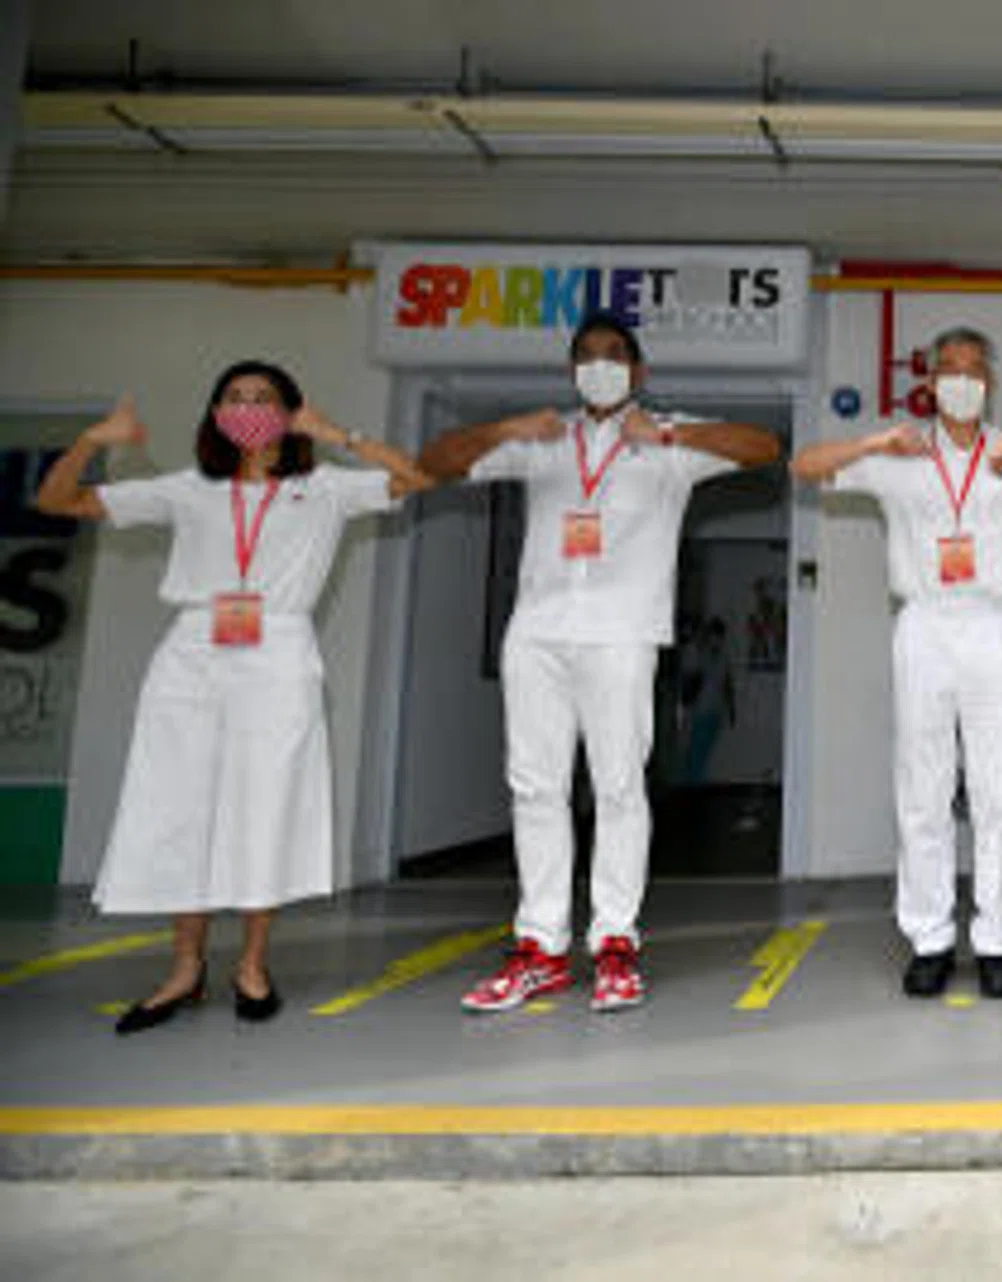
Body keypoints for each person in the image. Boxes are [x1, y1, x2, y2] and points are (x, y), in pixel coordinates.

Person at [34, 362, 432, 1034]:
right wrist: (96, 440)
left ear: (288, 412)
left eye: (264, 398)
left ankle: (253, 964)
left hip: (278, 652)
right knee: (180, 808)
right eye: (235, 397)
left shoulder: (326, 487)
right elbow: (56, 501)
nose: (248, 407)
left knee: (263, 808)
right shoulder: (190, 489)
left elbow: (420, 478)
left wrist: (335, 431)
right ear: (215, 412)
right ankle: (184, 969)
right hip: (191, 653)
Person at [424, 310, 781, 1014]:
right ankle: (541, 948)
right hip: (537, 634)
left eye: (614, 354)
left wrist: (671, 434)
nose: (600, 365)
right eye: (585, 355)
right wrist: (503, 430)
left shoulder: (667, 441)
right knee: (535, 789)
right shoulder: (544, 441)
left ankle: (616, 943)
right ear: (571, 371)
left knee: (618, 788)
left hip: (621, 635)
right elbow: (433, 464)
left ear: (638, 371)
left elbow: (765, 446)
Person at [791, 326, 1002, 999]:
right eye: (949, 369)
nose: (962, 380)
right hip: (923, 624)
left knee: (998, 789)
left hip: (995, 625)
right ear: (931, 381)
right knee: (924, 788)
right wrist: (870, 442)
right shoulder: (899, 451)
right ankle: (931, 937)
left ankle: (996, 936)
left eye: (974, 370)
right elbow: (804, 466)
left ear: (990, 383)